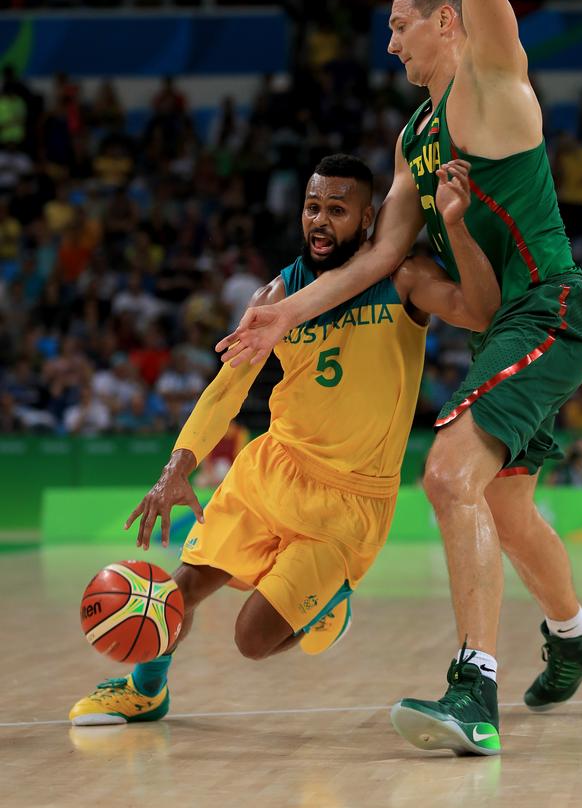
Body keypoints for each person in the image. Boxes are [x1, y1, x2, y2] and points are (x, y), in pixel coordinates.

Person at [216, 0, 582, 757]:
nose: (390, 41)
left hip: (550, 310)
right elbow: (373, 263)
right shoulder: (414, 139)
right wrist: (281, 313)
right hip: (502, 328)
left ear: (445, 22)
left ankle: (471, 693)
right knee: (509, 509)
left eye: (399, 24)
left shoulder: (494, 84)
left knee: (447, 473)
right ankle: (576, 641)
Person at [69, 153, 500, 726]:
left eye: (337, 210)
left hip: (347, 504)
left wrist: (457, 225)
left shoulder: (405, 279)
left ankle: (328, 604)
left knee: (252, 639)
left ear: (368, 218)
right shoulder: (278, 296)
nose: (320, 221)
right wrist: (177, 466)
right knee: (179, 590)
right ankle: (146, 690)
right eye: (312, 207)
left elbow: (481, 310)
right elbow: (229, 387)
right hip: (271, 469)